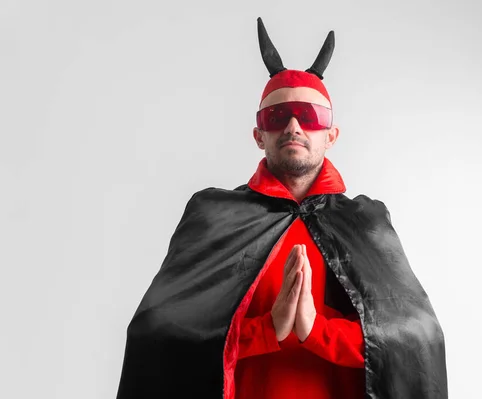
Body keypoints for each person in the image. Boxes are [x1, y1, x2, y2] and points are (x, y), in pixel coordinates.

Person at [116, 17, 447, 399]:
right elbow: (162, 335)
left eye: (309, 117)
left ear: (331, 135)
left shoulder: (366, 222)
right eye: (277, 117)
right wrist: (265, 330)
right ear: (259, 136)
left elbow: (414, 341)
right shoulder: (213, 215)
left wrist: (315, 330)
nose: (293, 126)